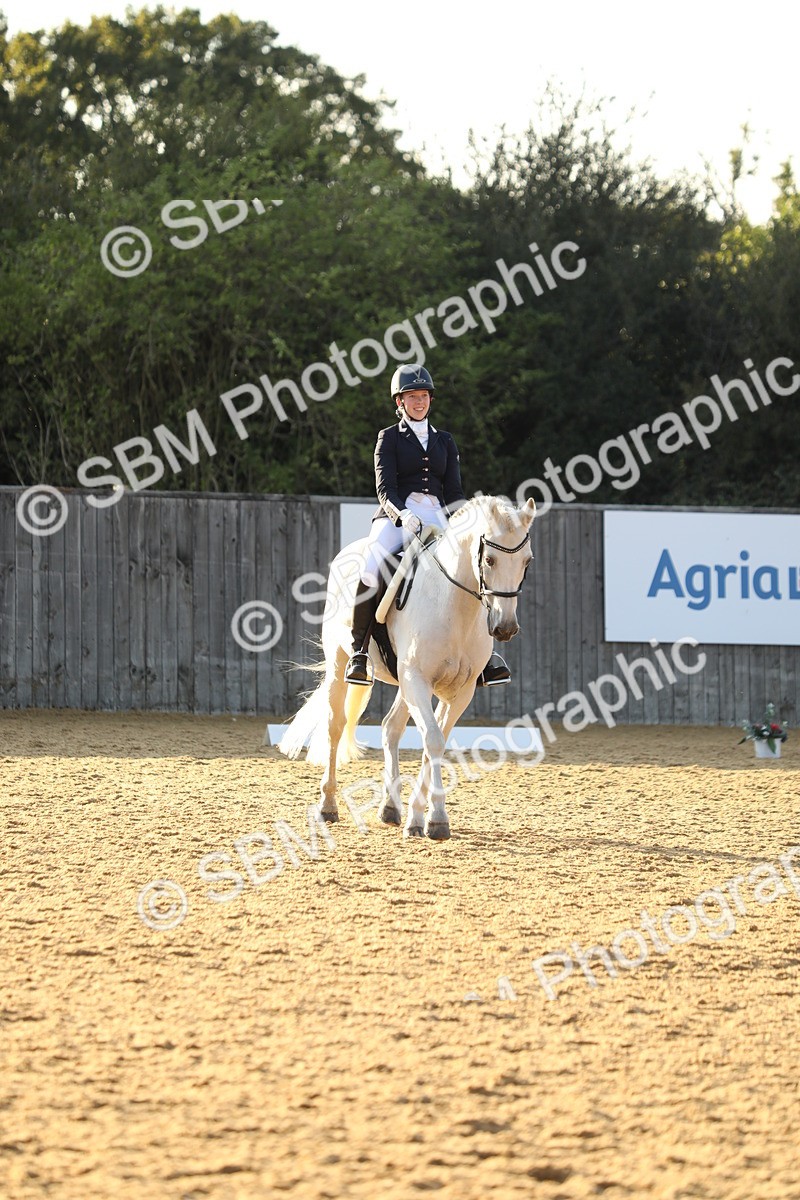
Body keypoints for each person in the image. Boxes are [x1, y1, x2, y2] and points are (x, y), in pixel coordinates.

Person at [344, 363, 512, 688]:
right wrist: (400, 514)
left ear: (430, 400)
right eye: (411, 397)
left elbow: (454, 492)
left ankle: (483, 655)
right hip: (398, 516)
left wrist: (465, 522)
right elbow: (384, 489)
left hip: (438, 516)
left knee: (474, 568)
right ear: (400, 402)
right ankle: (359, 653)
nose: (418, 402)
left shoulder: (445, 441)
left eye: (423, 396)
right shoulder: (388, 438)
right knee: (371, 566)